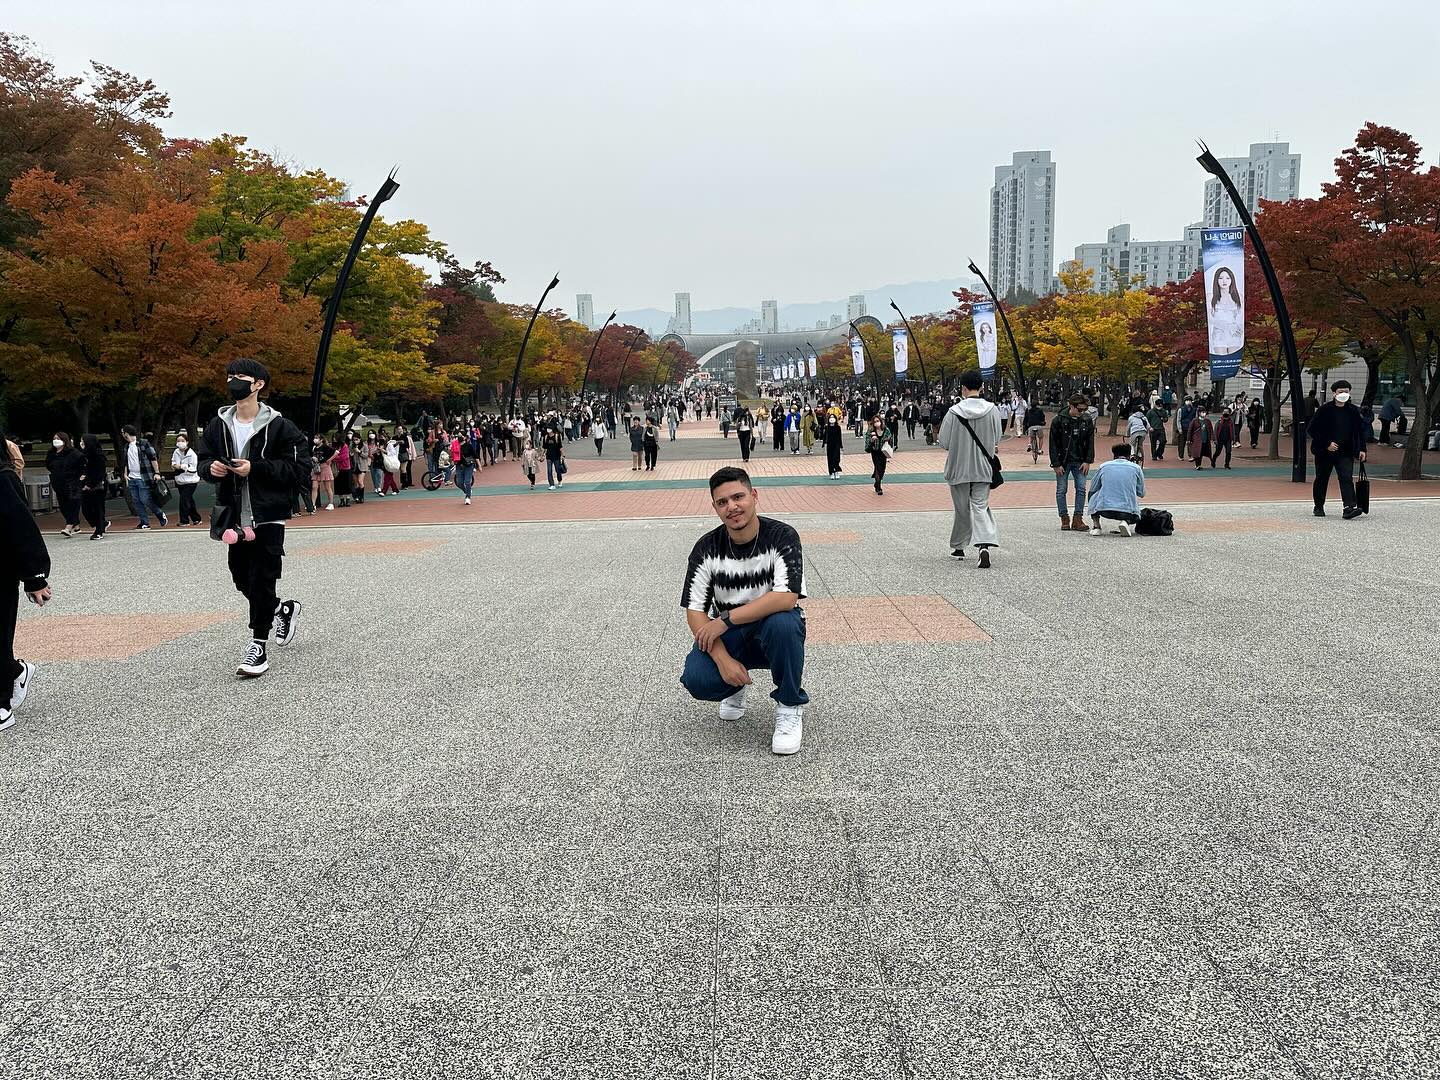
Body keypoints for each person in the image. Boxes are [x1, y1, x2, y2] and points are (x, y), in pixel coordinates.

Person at [679, 466, 808, 756]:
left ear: (754, 495)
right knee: (697, 679)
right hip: (733, 637)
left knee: (784, 624)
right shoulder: (706, 548)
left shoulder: (782, 536)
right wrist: (723, 660)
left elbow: (786, 598)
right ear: (715, 507)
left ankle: (789, 705)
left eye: (738, 497)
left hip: (771, 629)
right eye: (722, 502)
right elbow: (695, 611)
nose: (732, 507)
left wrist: (725, 620)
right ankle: (734, 686)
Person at [196, 358, 311, 679]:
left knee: (262, 578)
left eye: (240, 377)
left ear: (258, 384)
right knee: (241, 578)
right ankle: (280, 609)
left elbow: (299, 470)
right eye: (230, 376)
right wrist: (211, 469)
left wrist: (255, 469)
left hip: (268, 515)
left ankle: (257, 645)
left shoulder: (280, 426)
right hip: (233, 514)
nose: (233, 381)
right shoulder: (219, 423)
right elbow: (204, 459)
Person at [1, 431, 52, 731]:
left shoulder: (4, 478)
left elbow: (21, 527)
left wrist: (34, 577)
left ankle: (2, 701)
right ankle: (15, 671)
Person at [938, 370, 1002, 568]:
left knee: (962, 508)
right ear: (981, 387)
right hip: (983, 468)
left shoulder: (953, 412)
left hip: (958, 467)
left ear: (963, 388)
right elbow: (997, 437)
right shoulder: (992, 410)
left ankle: (959, 546)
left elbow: (944, 442)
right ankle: (984, 544)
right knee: (980, 506)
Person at [1307, 380, 1368, 519]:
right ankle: (1318, 506)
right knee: (1322, 478)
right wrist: (1326, 443)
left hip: (1346, 451)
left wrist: (1362, 449)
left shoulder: (1353, 410)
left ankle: (1349, 507)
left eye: (1346, 391)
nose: (1344, 394)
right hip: (1325, 452)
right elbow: (1312, 429)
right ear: (1334, 393)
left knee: (1346, 478)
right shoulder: (1324, 409)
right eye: (1340, 392)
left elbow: (1359, 432)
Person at [1049, 395, 1095, 531]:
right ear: (1072, 406)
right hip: (1063, 460)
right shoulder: (1058, 420)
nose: (1082, 413)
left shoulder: (1086, 420)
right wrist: (1056, 463)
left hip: (1080, 460)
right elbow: (1053, 443)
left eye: (1085, 410)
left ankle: (1077, 518)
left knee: (1081, 489)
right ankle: (1064, 518)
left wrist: (1088, 460)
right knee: (1061, 490)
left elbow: (1090, 441)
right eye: (1080, 410)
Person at [1084, 444, 1146, 536]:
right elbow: (1141, 493)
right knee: (1134, 505)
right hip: (1127, 512)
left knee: (1092, 494)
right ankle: (1126, 522)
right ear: (1129, 456)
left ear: (1114, 455)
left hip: (1104, 510)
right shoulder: (1136, 468)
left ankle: (1096, 526)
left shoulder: (1104, 466)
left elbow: (1093, 488)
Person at [120, 424, 167, 529]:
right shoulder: (126, 446)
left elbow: (153, 458)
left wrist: (157, 472)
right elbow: (126, 462)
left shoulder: (143, 443)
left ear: (126, 433)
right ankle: (144, 522)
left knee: (145, 499)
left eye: (123, 433)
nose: (122, 435)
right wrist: (125, 474)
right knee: (136, 501)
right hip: (132, 477)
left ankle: (159, 513)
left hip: (143, 476)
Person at [45, 432, 85, 537]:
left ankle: (69, 526)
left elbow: (81, 465)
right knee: (63, 506)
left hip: (72, 483)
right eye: (54, 438)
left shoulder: (74, 453)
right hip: (58, 484)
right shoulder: (51, 453)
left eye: (58, 438)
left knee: (72, 503)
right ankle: (76, 525)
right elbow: (49, 465)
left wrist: (79, 477)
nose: (56, 440)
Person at [77, 433, 110, 539]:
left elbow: (99, 473)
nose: (81, 443)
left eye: (83, 441)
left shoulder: (98, 456)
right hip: (86, 485)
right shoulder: (83, 455)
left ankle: (99, 531)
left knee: (98, 508)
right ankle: (101, 524)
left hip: (97, 486)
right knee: (86, 509)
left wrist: (89, 484)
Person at [1208, 266, 1244, 354]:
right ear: (1216, 280)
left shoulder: (1239, 297)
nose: (1224, 281)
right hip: (1219, 333)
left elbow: (1241, 317)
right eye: (1220, 278)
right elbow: (1210, 318)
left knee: (1233, 362)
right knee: (1221, 362)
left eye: (1227, 278)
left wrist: (1240, 329)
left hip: (1234, 333)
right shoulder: (1210, 296)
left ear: (1232, 280)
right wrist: (1225, 326)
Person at [171, 431, 202, 526]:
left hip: (191, 481)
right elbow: (173, 463)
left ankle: (184, 520)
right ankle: (196, 519)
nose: (180, 442)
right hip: (180, 480)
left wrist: (181, 467)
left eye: (182, 440)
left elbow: (192, 468)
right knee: (189, 500)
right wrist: (176, 466)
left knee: (184, 500)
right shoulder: (176, 452)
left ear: (187, 442)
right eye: (178, 440)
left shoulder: (192, 454)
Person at [865, 415, 890, 495]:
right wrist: (872, 441)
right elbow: (867, 442)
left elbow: (890, 437)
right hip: (875, 452)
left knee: (882, 468)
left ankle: (877, 482)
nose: (876, 423)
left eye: (878, 421)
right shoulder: (871, 431)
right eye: (875, 422)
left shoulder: (886, 429)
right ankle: (878, 487)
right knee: (877, 468)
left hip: (883, 452)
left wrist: (888, 440)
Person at [311, 435, 335, 511]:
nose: (315, 439)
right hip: (316, 467)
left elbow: (336, 452)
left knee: (327, 487)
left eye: (317, 438)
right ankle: (313, 505)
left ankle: (331, 503)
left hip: (325, 466)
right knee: (314, 486)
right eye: (314, 438)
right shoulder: (314, 448)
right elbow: (313, 456)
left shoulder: (326, 447)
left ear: (321, 440)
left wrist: (329, 460)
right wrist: (313, 458)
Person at [1187, 405, 1215, 469]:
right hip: (1197, 440)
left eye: (1204, 412)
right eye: (1202, 412)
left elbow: (1211, 430)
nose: (1204, 413)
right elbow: (1190, 430)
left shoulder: (1207, 421)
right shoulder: (1194, 420)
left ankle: (1211, 462)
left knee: (1203, 452)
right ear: (1199, 413)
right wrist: (1189, 439)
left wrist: (1212, 438)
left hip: (1205, 439)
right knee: (1198, 452)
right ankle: (1197, 465)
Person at [822, 413, 844, 478]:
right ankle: (831, 472)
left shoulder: (838, 427)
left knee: (836, 458)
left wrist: (841, 446)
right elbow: (825, 436)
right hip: (829, 445)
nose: (832, 419)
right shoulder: (827, 427)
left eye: (833, 417)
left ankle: (836, 471)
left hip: (836, 444)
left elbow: (840, 437)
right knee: (830, 459)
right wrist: (823, 444)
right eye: (830, 417)